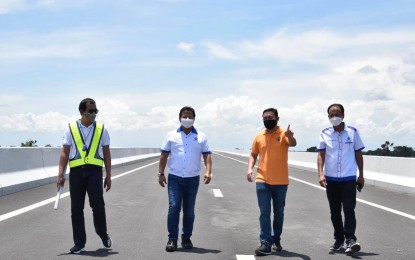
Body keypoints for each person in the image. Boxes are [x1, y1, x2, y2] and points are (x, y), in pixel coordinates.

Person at [57, 98, 112, 254]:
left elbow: (107, 153)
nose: (94, 114)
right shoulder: (71, 128)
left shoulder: (102, 129)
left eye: (96, 111)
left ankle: (103, 233)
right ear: (82, 112)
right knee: (76, 209)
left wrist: (108, 175)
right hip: (76, 173)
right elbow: (64, 153)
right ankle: (79, 243)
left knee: (98, 205)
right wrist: (60, 174)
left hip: (94, 172)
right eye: (91, 111)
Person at [158, 106, 212, 252]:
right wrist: (161, 173)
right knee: (174, 207)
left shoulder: (201, 136)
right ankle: (172, 239)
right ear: (179, 118)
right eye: (184, 116)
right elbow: (163, 155)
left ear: (194, 118)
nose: (187, 119)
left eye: (190, 116)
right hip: (175, 177)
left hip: (192, 179)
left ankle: (186, 238)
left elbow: (207, 155)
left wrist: (208, 172)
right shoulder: (171, 135)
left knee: (189, 210)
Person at [247, 108, 297, 256]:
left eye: (270, 117)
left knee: (279, 213)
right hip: (262, 180)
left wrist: (290, 136)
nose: (268, 120)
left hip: (281, 181)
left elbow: (292, 143)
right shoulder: (259, 136)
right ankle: (265, 243)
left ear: (277, 118)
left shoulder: (283, 134)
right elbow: (253, 154)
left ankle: (276, 239)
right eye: (265, 117)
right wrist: (250, 168)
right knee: (264, 212)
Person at [317, 103, 365, 255]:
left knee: (349, 209)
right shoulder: (324, 133)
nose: (334, 117)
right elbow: (321, 155)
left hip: (349, 178)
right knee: (334, 211)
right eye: (331, 114)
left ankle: (350, 239)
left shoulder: (353, 132)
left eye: (337, 114)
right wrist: (320, 174)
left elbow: (358, 154)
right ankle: (339, 239)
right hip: (331, 179)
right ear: (328, 116)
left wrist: (361, 175)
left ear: (343, 115)